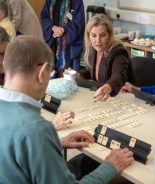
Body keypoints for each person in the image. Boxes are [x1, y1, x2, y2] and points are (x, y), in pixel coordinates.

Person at [0, 35, 134, 183]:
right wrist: (111, 165)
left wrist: (56, 143)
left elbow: (14, 151)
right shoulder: (36, 129)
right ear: (42, 72)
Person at [77, 14, 134, 102]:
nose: (98, 40)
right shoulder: (94, 49)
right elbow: (94, 71)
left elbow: (119, 75)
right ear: (89, 36)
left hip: (124, 98)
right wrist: (79, 75)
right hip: (104, 98)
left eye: (103, 35)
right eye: (94, 35)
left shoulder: (118, 51)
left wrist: (108, 87)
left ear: (109, 35)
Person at [41, 0, 85, 76]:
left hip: (70, 45)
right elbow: (44, 16)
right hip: (53, 41)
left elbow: (79, 22)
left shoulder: (77, 2)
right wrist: (53, 27)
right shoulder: (50, 1)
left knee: (71, 78)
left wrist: (64, 30)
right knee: (52, 76)